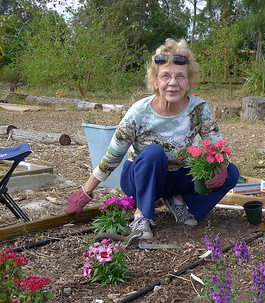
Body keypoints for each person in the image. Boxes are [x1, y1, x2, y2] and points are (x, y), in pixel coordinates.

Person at [65, 38, 239, 239]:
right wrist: (85, 192)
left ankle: (180, 202)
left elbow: (218, 147)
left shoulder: (199, 109)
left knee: (232, 173)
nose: (173, 83)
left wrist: (222, 166)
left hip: (178, 177)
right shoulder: (139, 112)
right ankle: (142, 216)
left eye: (180, 76)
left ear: (189, 81)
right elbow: (114, 154)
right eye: (165, 76)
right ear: (155, 82)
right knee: (153, 153)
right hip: (140, 179)